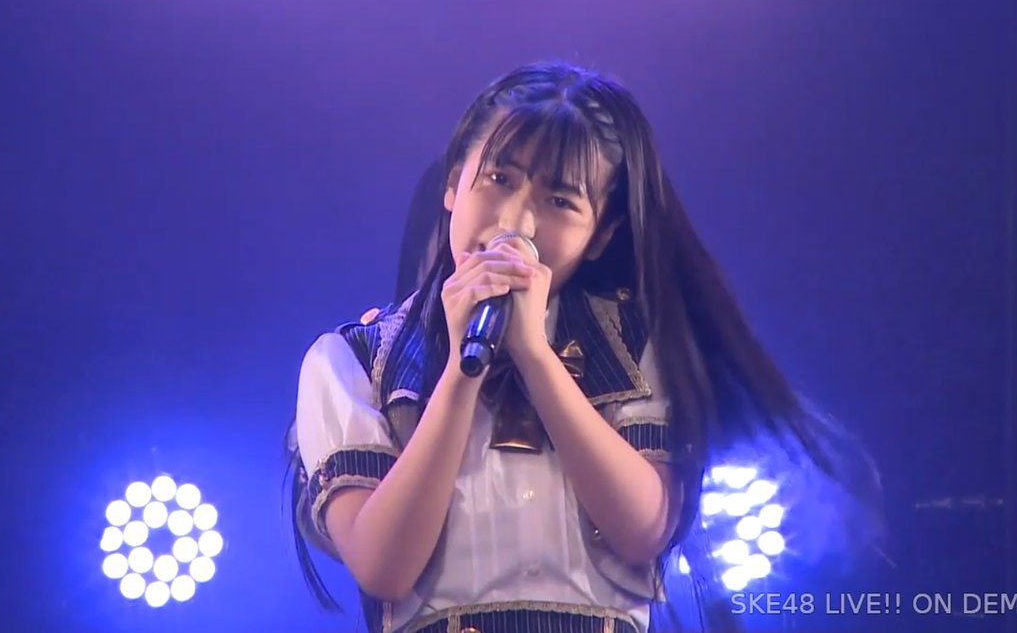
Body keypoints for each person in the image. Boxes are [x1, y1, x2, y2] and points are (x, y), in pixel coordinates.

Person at [286, 61, 879, 633]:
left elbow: (643, 530)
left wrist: (535, 357)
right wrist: (462, 374)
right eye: (499, 179)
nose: (516, 223)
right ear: (453, 183)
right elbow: (384, 567)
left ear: (601, 235)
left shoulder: (637, 344)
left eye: (560, 201)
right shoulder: (355, 360)